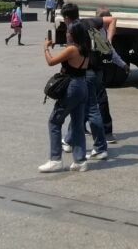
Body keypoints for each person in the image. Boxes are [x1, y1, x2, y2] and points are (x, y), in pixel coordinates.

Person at [59, 3, 113, 158]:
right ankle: (70, 141)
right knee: (84, 108)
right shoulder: (90, 23)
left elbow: (69, 55)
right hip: (97, 70)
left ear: (67, 17)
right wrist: (110, 39)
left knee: (90, 109)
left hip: (85, 73)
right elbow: (113, 20)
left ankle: (100, 147)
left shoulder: (74, 29)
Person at [39, 20, 91, 173]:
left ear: (73, 34)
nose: (66, 34)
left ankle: (55, 160)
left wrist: (45, 48)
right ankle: (80, 160)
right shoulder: (85, 48)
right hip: (83, 86)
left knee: (54, 121)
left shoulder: (72, 50)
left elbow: (51, 62)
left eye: (68, 31)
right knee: (77, 125)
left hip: (73, 88)